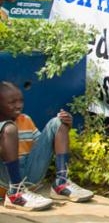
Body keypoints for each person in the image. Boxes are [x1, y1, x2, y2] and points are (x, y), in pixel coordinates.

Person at [0, 82, 94, 211]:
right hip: (5, 179)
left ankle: (61, 184)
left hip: (30, 176)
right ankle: (15, 193)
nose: (19, 106)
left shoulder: (25, 120)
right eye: (12, 102)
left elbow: (42, 147)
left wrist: (65, 126)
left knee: (58, 121)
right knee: (9, 128)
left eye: (21, 101)